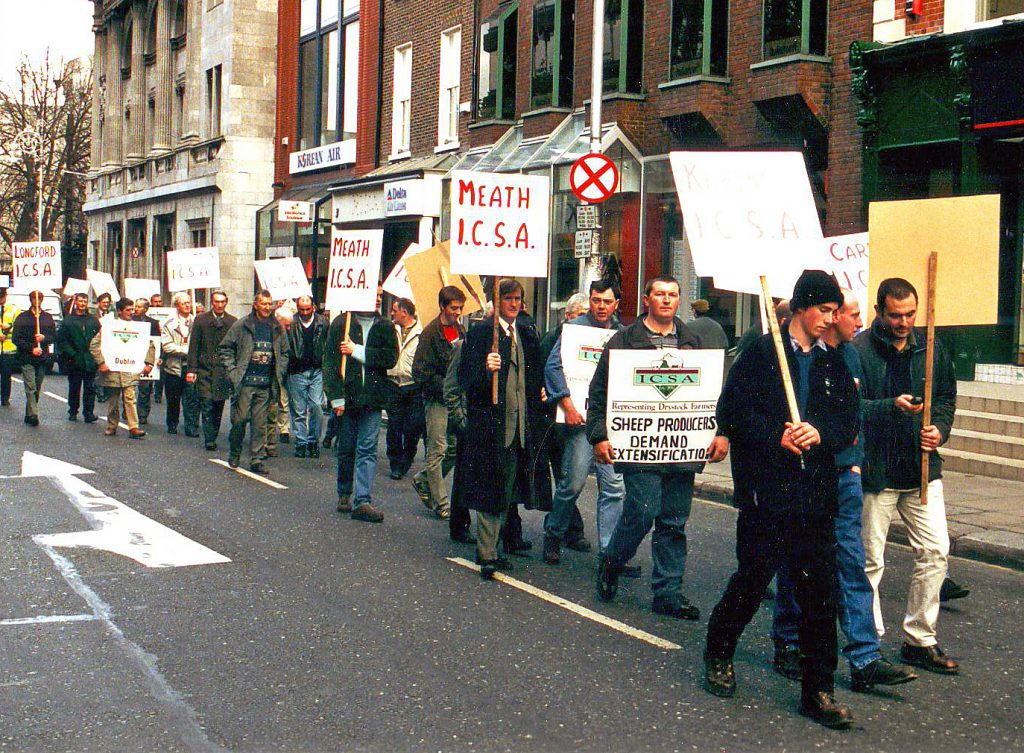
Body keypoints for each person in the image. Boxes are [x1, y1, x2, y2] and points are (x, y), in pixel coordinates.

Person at [703, 270, 858, 729]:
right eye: (825, 311)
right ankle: (719, 650)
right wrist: (777, 435)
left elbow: (846, 421)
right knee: (753, 578)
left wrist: (820, 432)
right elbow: (731, 411)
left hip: (814, 494)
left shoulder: (834, 360)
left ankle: (818, 690)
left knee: (819, 593)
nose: (831, 321)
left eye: (835, 312)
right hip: (767, 491)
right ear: (804, 306)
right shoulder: (761, 355)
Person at [770, 288, 917, 692]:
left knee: (852, 563)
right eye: (850, 314)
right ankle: (788, 639)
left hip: (845, 477)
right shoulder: (798, 356)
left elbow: (854, 411)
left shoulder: (850, 356)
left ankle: (865, 657)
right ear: (831, 316)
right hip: (807, 477)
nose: (858, 322)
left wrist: (855, 458)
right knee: (796, 561)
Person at [853, 277, 960, 675]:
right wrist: (889, 407)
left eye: (910, 314)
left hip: (921, 469)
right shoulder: (858, 350)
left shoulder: (931, 347)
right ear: (879, 311)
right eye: (896, 315)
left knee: (936, 551)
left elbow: (946, 397)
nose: (904, 322)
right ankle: (869, 644)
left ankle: (920, 638)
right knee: (869, 561)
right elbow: (849, 406)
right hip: (875, 471)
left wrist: (940, 430)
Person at [588, 276, 704, 619]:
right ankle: (612, 560)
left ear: (679, 301)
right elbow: (598, 393)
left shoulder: (693, 342)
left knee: (673, 520)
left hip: (682, 447)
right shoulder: (623, 342)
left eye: (672, 295)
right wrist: (600, 435)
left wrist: (719, 433)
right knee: (643, 510)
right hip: (638, 447)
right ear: (646, 300)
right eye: (659, 294)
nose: (666, 300)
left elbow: (711, 395)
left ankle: (668, 592)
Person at [458, 279, 550, 578]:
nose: (513, 304)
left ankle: (496, 545)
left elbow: (532, 374)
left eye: (517, 299)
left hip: (520, 426)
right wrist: (486, 369)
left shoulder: (524, 332)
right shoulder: (483, 332)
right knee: (492, 487)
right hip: (493, 427)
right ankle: (486, 553)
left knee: (508, 488)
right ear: (497, 302)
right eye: (508, 298)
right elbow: (466, 380)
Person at [543, 280, 625, 566]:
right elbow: (553, 367)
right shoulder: (573, 328)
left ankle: (609, 554)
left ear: (616, 304)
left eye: (607, 301)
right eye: (596, 300)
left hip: (611, 426)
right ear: (590, 301)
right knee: (572, 484)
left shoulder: (624, 335)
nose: (601, 306)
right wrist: (567, 404)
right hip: (580, 422)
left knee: (613, 488)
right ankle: (553, 534)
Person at [323, 285, 398, 523]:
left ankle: (362, 499)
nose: (378, 299)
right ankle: (344, 492)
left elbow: (390, 358)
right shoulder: (341, 323)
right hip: (348, 398)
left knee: (367, 448)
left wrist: (357, 350)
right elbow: (330, 363)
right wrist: (335, 397)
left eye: (379, 295)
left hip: (373, 399)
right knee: (347, 447)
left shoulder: (385, 326)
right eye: (373, 295)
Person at [412, 286, 467, 523]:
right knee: (438, 448)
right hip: (436, 400)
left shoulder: (461, 330)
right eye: (454, 308)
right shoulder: (430, 333)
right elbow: (419, 371)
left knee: (454, 449)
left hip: (455, 400)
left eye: (460, 308)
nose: (458, 312)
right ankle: (441, 503)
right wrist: (444, 386)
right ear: (443, 307)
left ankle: (424, 480)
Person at [218, 290, 289, 474]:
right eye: (263, 304)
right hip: (245, 382)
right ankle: (235, 453)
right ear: (255, 304)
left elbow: (285, 352)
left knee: (260, 424)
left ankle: (256, 459)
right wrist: (233, 372)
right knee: (240, 420)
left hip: (266, 384)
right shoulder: (243, 324)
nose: (267, 307)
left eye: (269, 304)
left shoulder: (277, 327)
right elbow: (225, 348)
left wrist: (280, 370)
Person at [88, 297, 155, 438]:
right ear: (119, 311)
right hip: (112, 370)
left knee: (130, 398)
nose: (131, 312)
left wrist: (149, 363)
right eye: (128, 310)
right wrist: (101, 363)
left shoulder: (138, 328)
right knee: (113, 400)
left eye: (132, 309)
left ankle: (133, 427)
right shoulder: (108, 327)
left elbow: (150, 346)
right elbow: (94, 345)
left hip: (130, 370)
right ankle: (112, 425)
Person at [186, 289, 237, 451]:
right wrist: (191, 369)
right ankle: (210, 438)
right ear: (212, 303)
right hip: (205, 369)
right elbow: (194, 346)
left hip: (223, 371)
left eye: (223, 302)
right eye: (217, 302)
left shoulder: (232, 321)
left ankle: (213, 432)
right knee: (206, 402)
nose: (220, 305)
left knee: (218, 403)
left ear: (226, 303)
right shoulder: (201, 320)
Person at [385, 297, 424, 480]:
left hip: (413, 386)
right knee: (394, 426)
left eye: (395, 310)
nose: (392, 313)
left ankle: (406, 459)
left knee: (412, 428)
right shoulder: (391, 330)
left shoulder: (421, 331)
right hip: (393, 383)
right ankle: (395, 464)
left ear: (405, 313)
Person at [285, 295, 328, 459]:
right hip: (297, 370)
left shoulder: (323, 322)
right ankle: (301, 442)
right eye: (301, 309)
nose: (304, 312)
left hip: (316, 370)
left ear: (313, 308)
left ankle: (313, 440)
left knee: (317, 406)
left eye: (307, 309)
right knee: (298, 409)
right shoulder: (291, 322)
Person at [12, 291, 57, 426]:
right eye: (34, 299)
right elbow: (16, 338)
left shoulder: (47, 318)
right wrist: (32, 348)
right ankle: (33, 415)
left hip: (42, 359)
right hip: (27, 358)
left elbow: (54, 336)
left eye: (39, 299)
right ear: (30, 300)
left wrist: (44, 338)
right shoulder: (22, 318)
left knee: (36, 387)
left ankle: (29, 412)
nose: (36, 301)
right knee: (30, 387)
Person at [57, 292, 101, 423]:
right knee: (74, 387)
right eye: (80, 301)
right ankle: (73, 410)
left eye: (84, 301)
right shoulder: (68, 321)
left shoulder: (93, 320)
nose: (82, 304)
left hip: (90, 359)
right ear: (75, 302)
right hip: (75, 359)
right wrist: (72, 354)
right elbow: (62, 340)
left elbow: (100, 338)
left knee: (90, 388)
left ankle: (88, 413)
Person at [162, 292, 200, 436]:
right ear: (177, 305)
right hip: (174, 368)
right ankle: (172, 424)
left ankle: (191, 427)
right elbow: (167, 346)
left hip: (191, 367)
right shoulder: (168, 324)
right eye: (183, 303)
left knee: (191, 399)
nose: (187, 305)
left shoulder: (197, 322)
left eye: (189, 302)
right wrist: (186, 351)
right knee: (173, 399)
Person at [266, 306, 294, 457]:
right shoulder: (267, 329)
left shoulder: (290, 332)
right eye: (286, 324)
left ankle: (282, 429)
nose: (289, 328)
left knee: (282, 402)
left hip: (285, 371)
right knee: (271, 406)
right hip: (270, 373)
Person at [133, 298, 162, 426]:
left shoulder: (154, 323)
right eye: (135, 306)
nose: (136, 309)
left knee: (145, 388)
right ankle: (129, 411)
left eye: (139, 307)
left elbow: (157, 342)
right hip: (132, 358)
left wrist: (157, 359)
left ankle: (143, 414)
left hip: (146, 359)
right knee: (130, 388)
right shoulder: (130, 320)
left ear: (145, 309)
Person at [0, 288, 20, 407]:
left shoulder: (14, 309)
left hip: (8, 349)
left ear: (6, 296)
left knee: (6, 375)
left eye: (2, 296)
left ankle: (5, 398)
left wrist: (7, 328)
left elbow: (18, 326)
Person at [149, 293, 166, 403]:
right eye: (156, 301)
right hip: (150, 342)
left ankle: (158, 394)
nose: (158, 304)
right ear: (152, 302)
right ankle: (149, 388)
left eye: (160, 301)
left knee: (160, 369)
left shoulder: (166, 313)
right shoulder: (148, 313)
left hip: (162, 341)